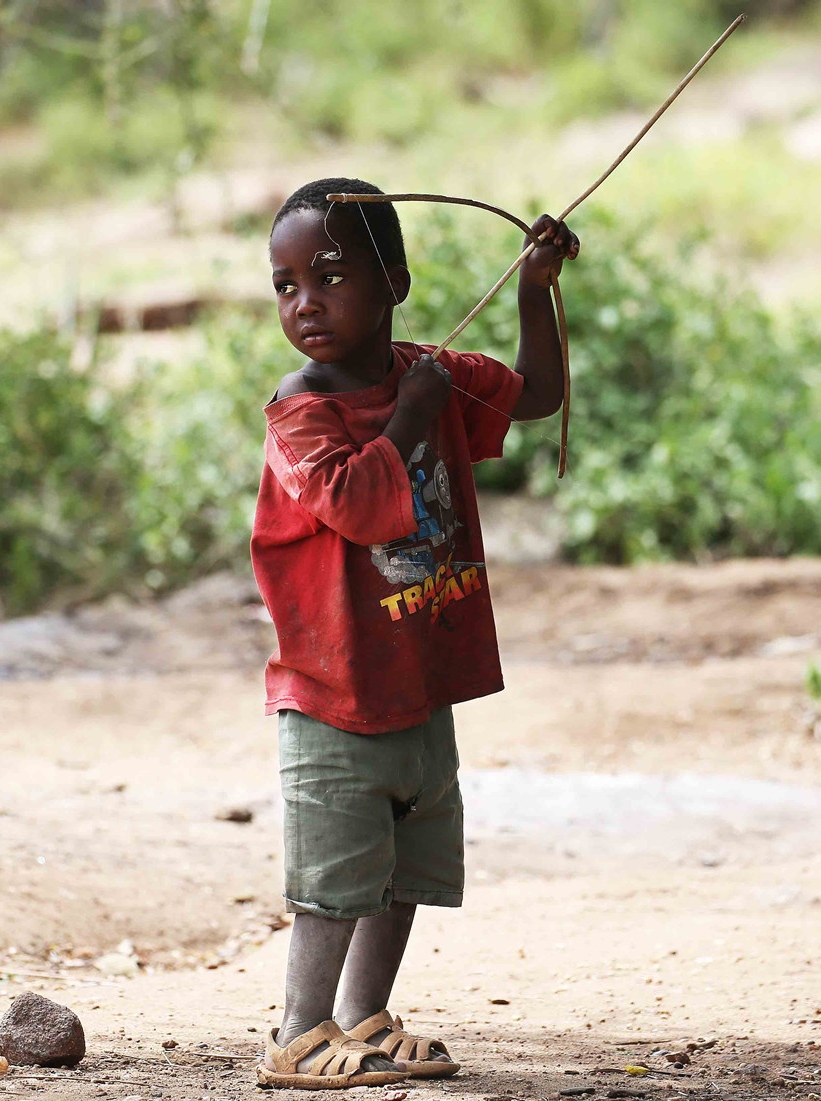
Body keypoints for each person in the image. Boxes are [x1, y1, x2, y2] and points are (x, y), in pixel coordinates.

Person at [250, 177, 578, 1089]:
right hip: (333, 690)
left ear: (392, 280)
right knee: (336, 871)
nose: (304, 302)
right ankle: (298, 1030)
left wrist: (531, 289)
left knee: (404, 855)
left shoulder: (427, 375)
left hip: (414, 678)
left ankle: (363, 1016)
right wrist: (413, 413)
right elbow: (356, 503)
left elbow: (538, 394)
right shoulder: (300, 411)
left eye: (329, 276)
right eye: (285, 285)